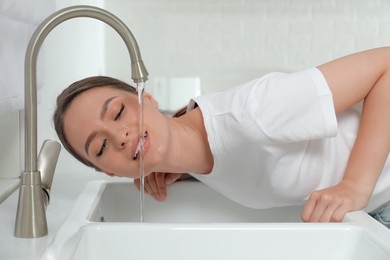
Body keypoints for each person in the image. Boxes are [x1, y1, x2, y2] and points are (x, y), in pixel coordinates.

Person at [53, 47, 390, 227]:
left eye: (117, 113)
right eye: (100, 147)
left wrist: (355, 185)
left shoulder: (255, 111)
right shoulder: (191, 155)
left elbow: (386, 65)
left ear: (149, 99)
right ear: (110, 172)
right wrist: (176, 166)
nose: (120, 136)